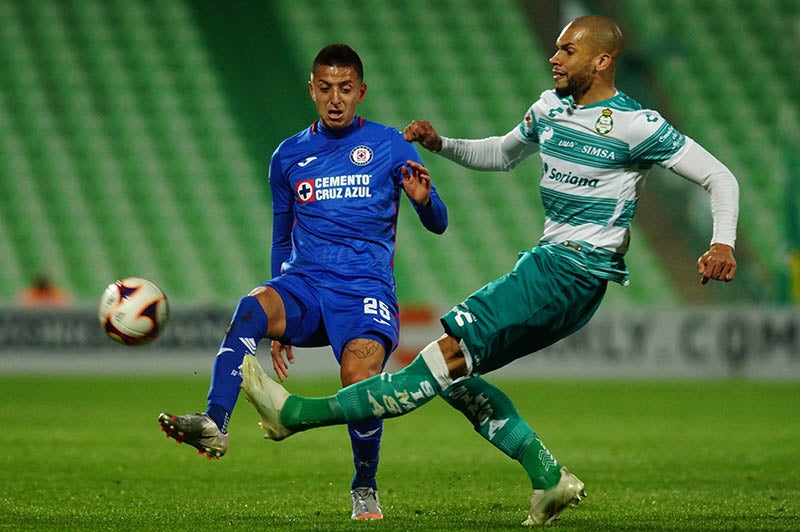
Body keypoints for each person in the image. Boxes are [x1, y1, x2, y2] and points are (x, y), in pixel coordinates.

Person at [237, 15, 739, 527]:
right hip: (564, 278)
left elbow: (719, 177)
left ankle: (293, 415)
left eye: (567, 50)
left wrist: (722, 242)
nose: (554, 58)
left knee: (436, 361)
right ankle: (548, 477)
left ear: (602, 60)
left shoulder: (637, 125)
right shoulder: (550, 109)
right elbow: (502, 153)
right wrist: (441, 145)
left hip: (567, 270)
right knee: (455, 377)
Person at [158, 43, 448, 520]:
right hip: (307, 287)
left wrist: (424, 200)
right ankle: (215, 420)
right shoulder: (288, 156)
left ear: (362, 92)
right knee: (251, 307)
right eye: (327, 88)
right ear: (312, 89)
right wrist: (280, 299)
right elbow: (281, 237)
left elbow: (439, 224)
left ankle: (364, 485)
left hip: (365, 292)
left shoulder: (390, 144)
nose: (336, 98)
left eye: (346, 89)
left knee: (358, 381)